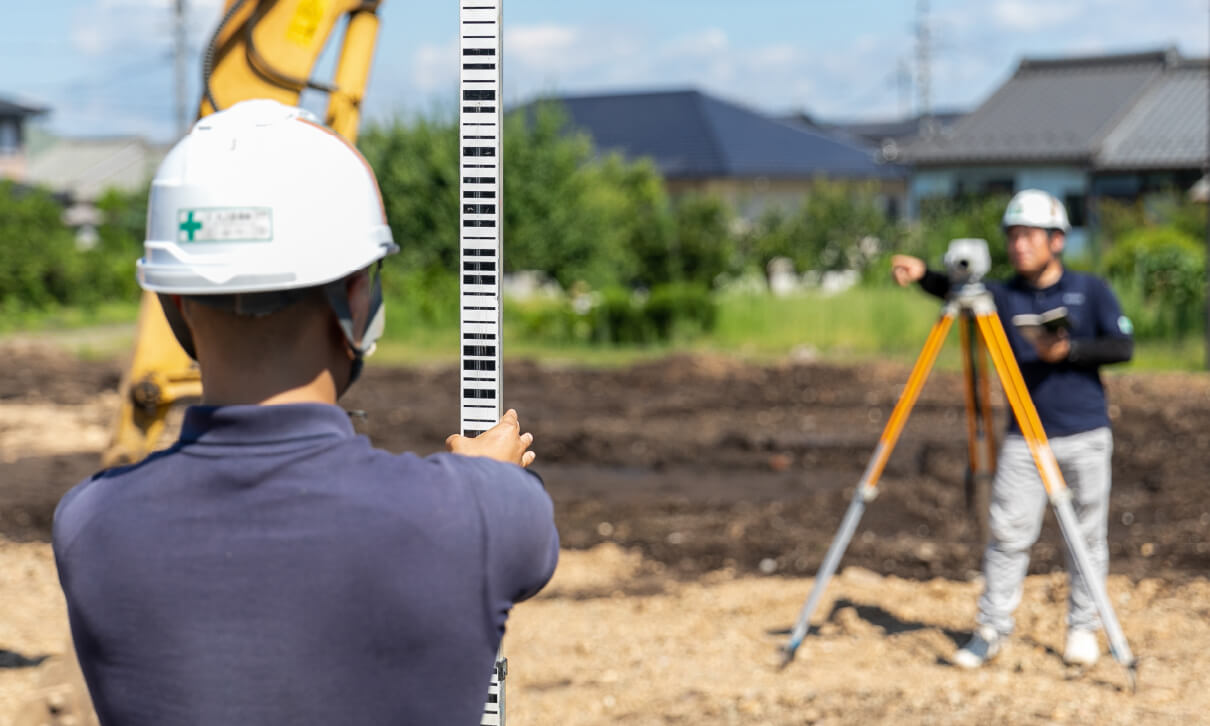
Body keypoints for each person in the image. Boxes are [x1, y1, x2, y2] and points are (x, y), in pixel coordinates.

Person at [52, 99, 559, 725]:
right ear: (358, 297)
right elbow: (522, 537)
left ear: (175, 306)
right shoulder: (482, 512)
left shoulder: (89, 524)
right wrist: (486, 477)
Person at [891, 189, 1133, 669]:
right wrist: (923, 275)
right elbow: (953, 289)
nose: (1019, 245)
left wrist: (1070, 352)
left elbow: (1122, 346)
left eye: (1029, 236)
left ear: (1056, 239)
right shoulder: (1001, 295)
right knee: (1008, 533)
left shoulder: (1092, 289)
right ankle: (991, 628)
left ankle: (1083, 628)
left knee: (1086, 537)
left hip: (1085, 432)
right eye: (1013, 236)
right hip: (1025, 436)